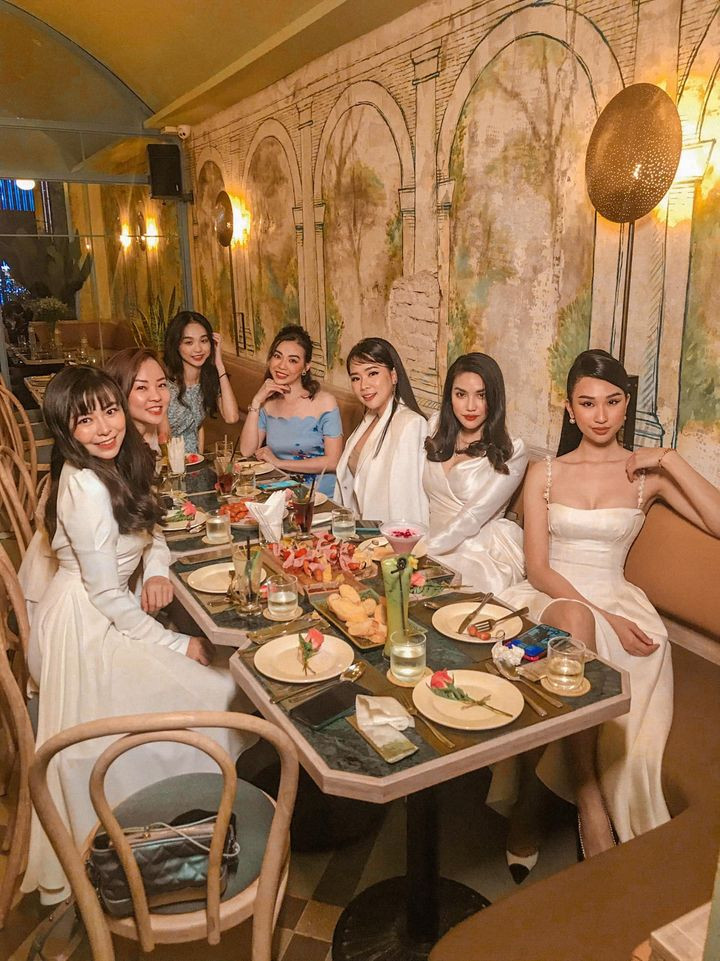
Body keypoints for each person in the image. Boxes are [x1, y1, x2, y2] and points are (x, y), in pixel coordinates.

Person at [21, 366, 249, 905]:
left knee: (214, 688)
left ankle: (178, 821)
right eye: (85, 420)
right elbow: (105, 594)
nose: (105, 427)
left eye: (109, 411)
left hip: (103, 613)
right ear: (64, 429)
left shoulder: (119, 462)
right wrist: (176, 643)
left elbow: (154, 532)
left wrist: (154, 570)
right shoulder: (84, 486)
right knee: (221, 694)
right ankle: (165, 831)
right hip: (85, 631)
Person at [495, 348, 720, 876]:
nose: (601, 415)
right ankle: (590, 801)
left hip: (620, 601)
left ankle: (532, 802)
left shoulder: (645, 476)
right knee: (577, 623)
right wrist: (604, 617)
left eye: (613, 402)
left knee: (586, 638)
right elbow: (538, 568)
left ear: (626, 406)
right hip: (550, 599)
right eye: (587, 403)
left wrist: (669, 459)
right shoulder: (544, 472)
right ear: (570, 410)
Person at [422, 353, 528, 592]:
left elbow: (473, 517)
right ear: (449, 396)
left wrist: (424, 550)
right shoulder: (435, 426)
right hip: (430, 538)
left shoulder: (512, 450)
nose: (471, 406)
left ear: (495, 398)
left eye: (481, 395)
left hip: (478, 552)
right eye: (461, 395)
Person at [240, 325, 342, 496]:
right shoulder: (267, 404)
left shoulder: (325, 402)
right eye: (277, 356)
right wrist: (256, 401)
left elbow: (333, 461)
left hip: (319, 497)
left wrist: (279, 463)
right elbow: (246, 450)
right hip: (279, 493)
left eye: (293, 360)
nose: (282, 366)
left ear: (306, 367)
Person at [335, 338, 428, 524]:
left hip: (387, 534)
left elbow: (408, 501)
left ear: (393, 375)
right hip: (358, 528)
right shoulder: (369, 418)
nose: (364, 385)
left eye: (372, 373)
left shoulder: (410, 424)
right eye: (356, 378)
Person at [163, 310, 239, 453]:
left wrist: (220, 365)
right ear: (177, 345)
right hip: (169, 460)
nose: (198, 349)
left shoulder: (208, 379)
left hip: (195, 461)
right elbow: (159, 437)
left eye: (204, 341)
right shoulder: (165, 385)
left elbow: (232, 417)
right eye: (189, 342)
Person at [104, 347, 169, 455]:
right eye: (141, 387)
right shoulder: (110, 447)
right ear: (118, 391)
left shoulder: (150, 432)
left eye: (161, 385)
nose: (156, 397)